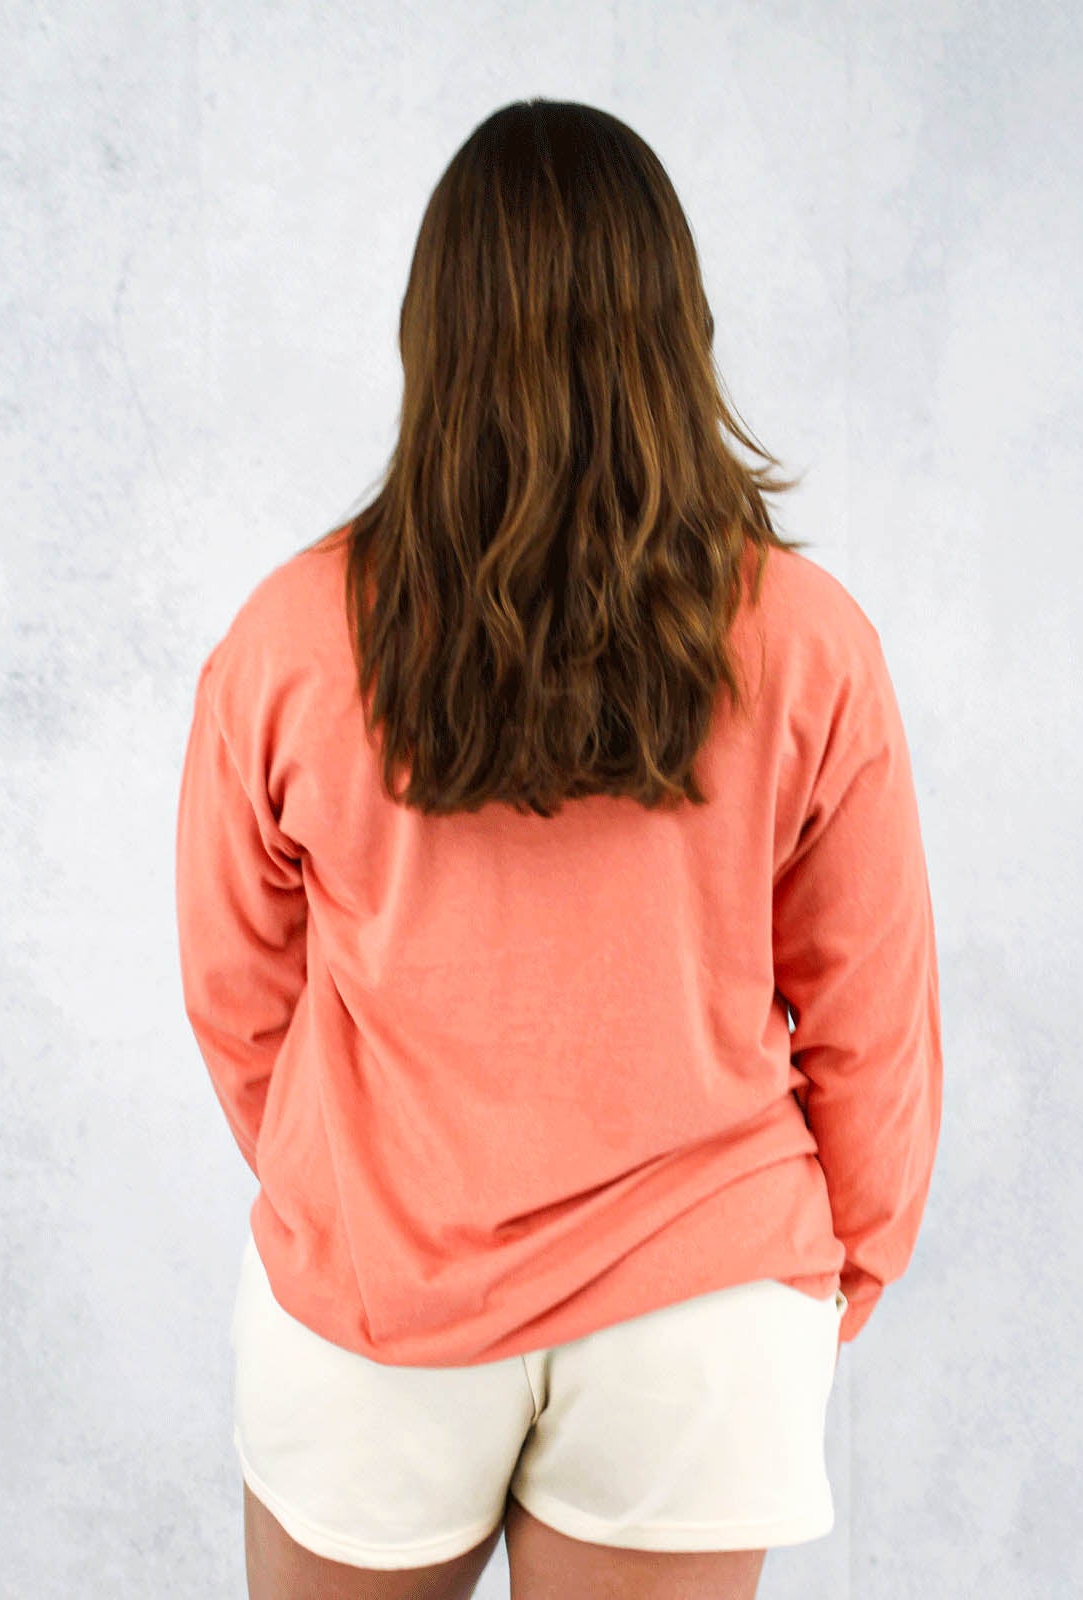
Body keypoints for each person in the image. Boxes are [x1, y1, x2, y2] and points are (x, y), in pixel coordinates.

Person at [175, 96, 943, 1600]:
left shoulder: (287, 643)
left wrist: (356, 1186)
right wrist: (833, 1271)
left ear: (433, 333)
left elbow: (237, 993)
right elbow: (872, 1014)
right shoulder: (809, 643)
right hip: (702, 1300)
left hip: (379, 1301)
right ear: (677, 332)